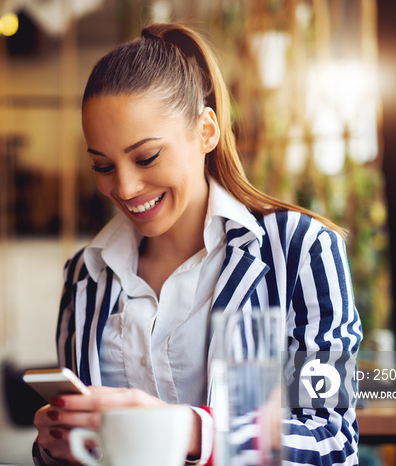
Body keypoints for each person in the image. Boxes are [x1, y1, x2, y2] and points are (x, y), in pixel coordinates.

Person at [33, 22, 361, 465]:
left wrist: (185, 430)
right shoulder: (85, 274)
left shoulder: (299, 250)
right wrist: (55, 444)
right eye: (103, 165)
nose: (125, 188)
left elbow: (331, 438)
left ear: (207, 131)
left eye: (147, 157)